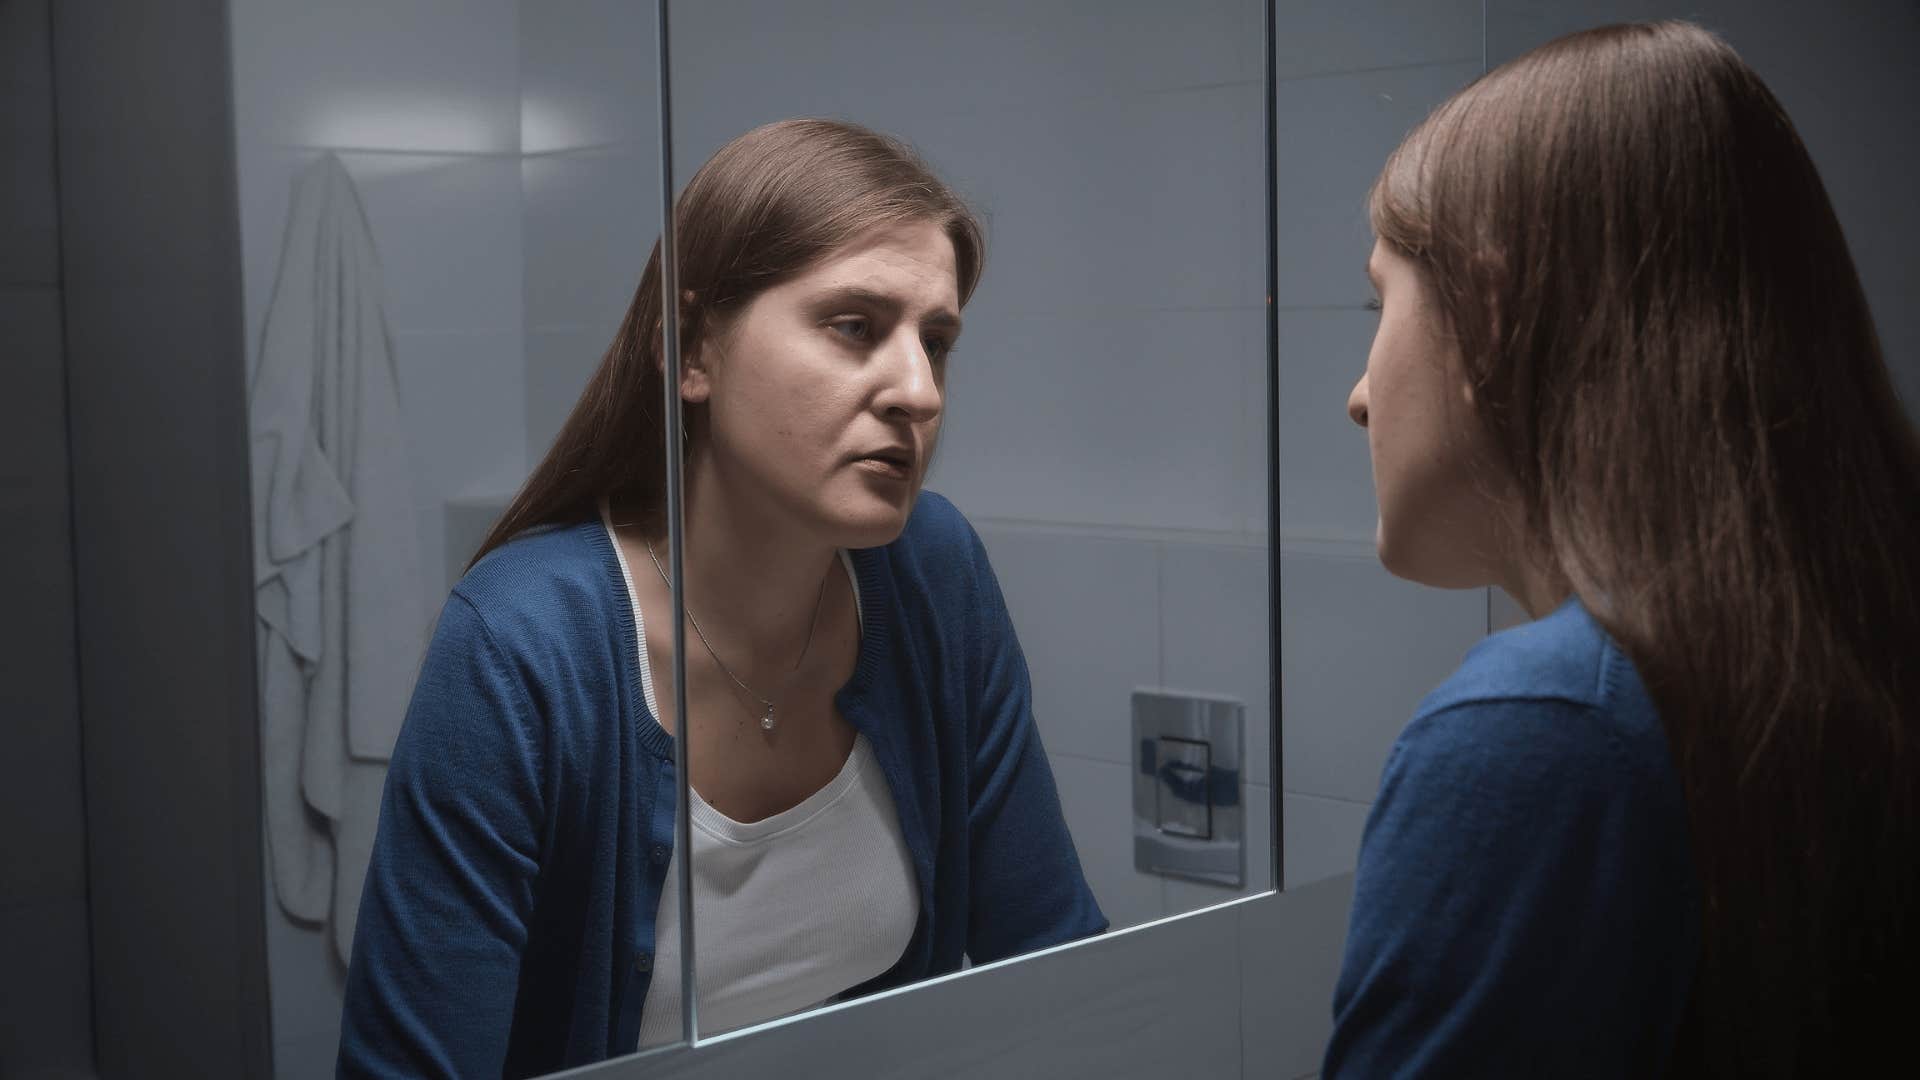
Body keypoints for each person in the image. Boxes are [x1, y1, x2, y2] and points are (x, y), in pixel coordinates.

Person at [337, 118, 1106, 1078]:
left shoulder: (932, 572)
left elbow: (1057, 960)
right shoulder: (523, 644)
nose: (919, 390)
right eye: (856, 327)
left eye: (937, 341)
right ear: (693, 352)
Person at [1324, 20, 1918, 1078]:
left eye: (1381, 302)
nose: (1360, 395)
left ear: (1491, 317)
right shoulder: (1852, 652)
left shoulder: (1542, 728)